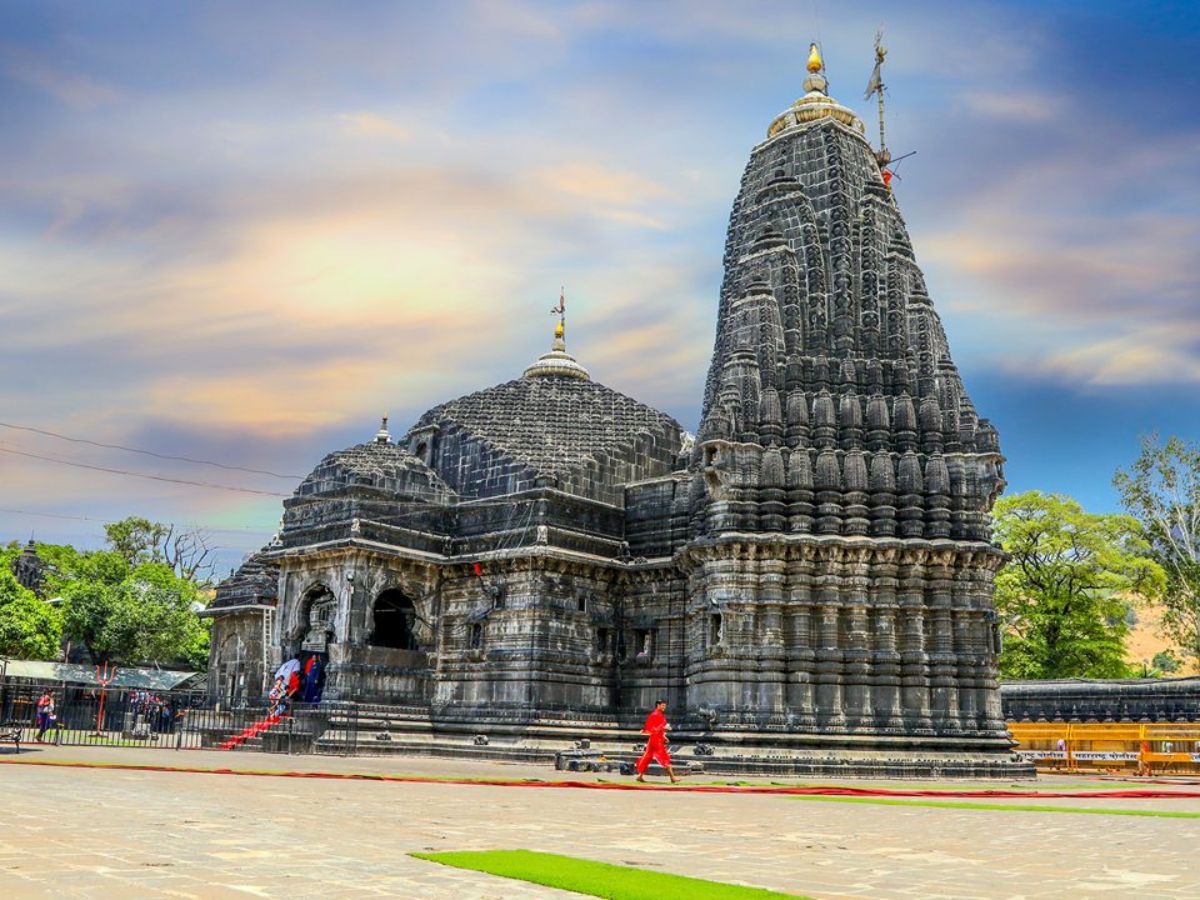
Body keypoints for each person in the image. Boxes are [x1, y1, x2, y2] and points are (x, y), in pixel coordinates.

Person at [635, 698, 678, 784]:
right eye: (662, 705)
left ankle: (640, 776)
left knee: (647, 757)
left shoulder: (658, 714)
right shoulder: (655, 715)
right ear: (658, 705)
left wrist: (663, 735)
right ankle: (673, 777)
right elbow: (652, 728)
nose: (664, 707)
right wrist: (663, 728)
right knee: (664, 757)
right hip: (656, 740)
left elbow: (655, 728)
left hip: (654, 739)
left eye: (665, 706)